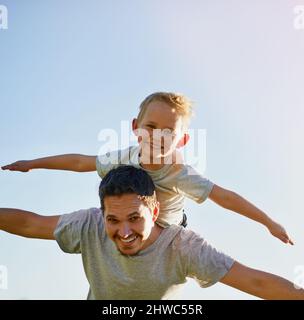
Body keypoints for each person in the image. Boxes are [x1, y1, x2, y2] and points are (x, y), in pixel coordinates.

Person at [1, 92, 293, 244]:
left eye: (169, 131)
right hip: (130, 221)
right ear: (135, 127)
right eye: (150, 127)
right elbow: (80, 162)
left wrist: (269, 223)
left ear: (183, 140)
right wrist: (32, 164)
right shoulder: (125, 157)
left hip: (168, 230)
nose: (157, 136)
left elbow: (224, 196)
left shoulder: (179, 173)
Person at [0, 166, 302, 299]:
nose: (124, 231)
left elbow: (257, 282)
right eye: (113, 221)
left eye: (134, 218)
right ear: (102, 214)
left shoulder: (184, 247)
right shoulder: (88, 225)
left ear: (154, 212)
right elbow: (29, 223)